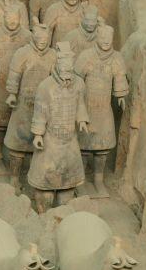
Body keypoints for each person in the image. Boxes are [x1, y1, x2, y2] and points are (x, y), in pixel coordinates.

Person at [28, 42, 89, 212]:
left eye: (70, 65)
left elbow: (81, 104)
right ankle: (44, 213)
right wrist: (38, 134)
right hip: (50, 140)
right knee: (44, 185)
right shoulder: (45, 86)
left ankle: (62, 213)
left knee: (67, 183)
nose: (67, 68)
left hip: (70, 140)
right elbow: (40, 111)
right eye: (64, 64)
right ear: (57, 63)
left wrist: (82, 120)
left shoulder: (79, 84)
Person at [75, 23, 128, 196]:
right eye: (103, 37)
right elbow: (76, 80)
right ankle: (81, 180)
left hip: (104, 109)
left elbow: (119, 77)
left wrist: (120, 95)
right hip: (87, 108)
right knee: (83, 146)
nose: (106, 41)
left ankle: (98, 180)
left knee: (102, 147)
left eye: (109, 38)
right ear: (97, 37)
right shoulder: (86, 56)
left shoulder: (116, 58)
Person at [4, 20, 57, 193]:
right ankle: (14, 178)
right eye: (39, 38)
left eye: (45, 39)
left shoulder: (53, 55)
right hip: (23, 103)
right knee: (18, 142)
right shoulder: (22, 53)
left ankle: (37, 178)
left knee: (42, 143)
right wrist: (12, 94)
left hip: (44, 106)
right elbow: (14, 75)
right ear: (33, 37)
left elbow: (56, 79)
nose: (42, 42)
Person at [0, 5, 31, 175]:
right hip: (2, 83)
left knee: (21, 121)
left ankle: (18, 157)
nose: (12, 22)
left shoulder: (27, 36)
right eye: (9, 18)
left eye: (15, 19)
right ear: (3, 18)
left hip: (22, 86)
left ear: (20, 19)